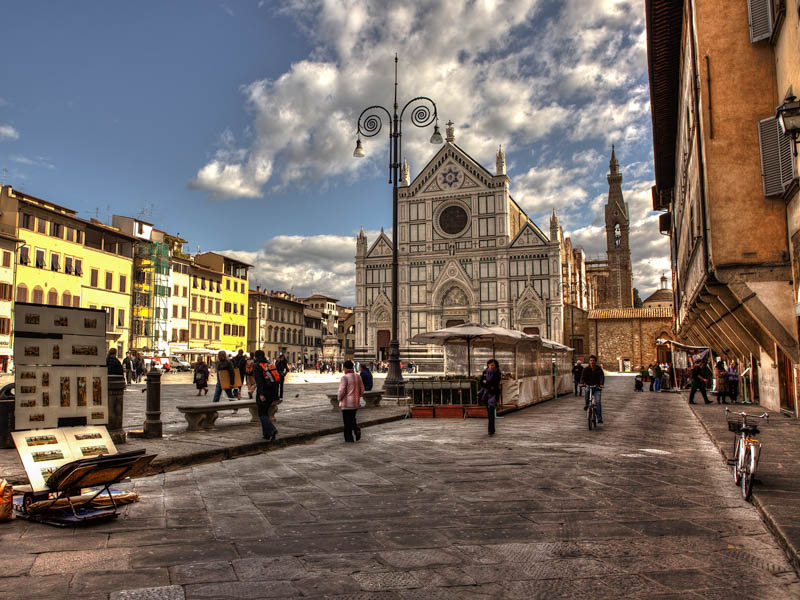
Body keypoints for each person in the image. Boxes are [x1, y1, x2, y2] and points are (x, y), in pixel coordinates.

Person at [253, 350, 279, 441]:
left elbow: (259, 381)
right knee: (265, 412)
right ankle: (266, 434)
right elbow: (277, 380)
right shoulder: (269, 364)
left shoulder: (257, 365)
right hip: (272, 391)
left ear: (256, 357)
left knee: (262, 414)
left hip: (264, 391)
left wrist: (261, 394)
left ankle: (272, 429)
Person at [337, 360, 364, 443]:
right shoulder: (358, 376)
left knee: (347, 422)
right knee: (352, 419)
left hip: (346, 403)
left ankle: (349, 438)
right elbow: (362, 389)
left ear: (345, 367)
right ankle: (356, 429)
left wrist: (339, 398)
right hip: (355, 403)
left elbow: (342, 390)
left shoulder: (344, 377)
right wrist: (357, 396)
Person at [580, 355, 605, 424]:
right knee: (587, 393)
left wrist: (601, 384)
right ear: (589, 361)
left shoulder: (599, 369)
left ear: (595, 361)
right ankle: (587, 405)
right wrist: (581, 383)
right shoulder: (586, 369)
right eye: (591, 360)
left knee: (598, 402)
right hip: (588, 385)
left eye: (593, 361)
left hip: (597, 387)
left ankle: (599, 418)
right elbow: (582, 377)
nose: (592, 362)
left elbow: (601, 377)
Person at [480, 359, 502, 436]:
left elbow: (495, 383)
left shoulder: (497, 372)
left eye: (493, 365)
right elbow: (481, 382)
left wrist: (487, 383)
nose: (491, 366)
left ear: (495, 365)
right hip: (486, 395)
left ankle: (491, 430)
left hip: (493, 394)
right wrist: (488, 384)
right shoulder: (485, 372)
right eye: (490, 365)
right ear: (488, 365)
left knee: (491, 413)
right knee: (489, 414)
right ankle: (491, 429)